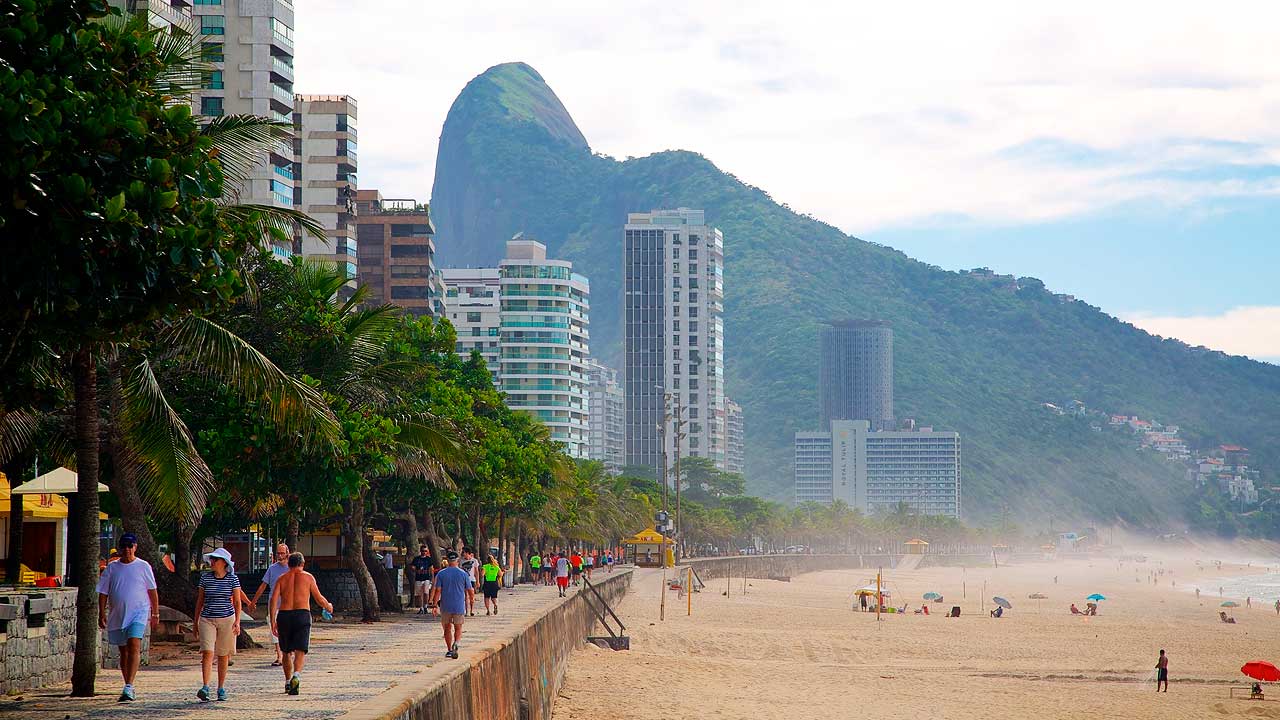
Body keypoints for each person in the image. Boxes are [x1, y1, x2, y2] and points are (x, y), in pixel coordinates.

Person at [96, 532, 159, 702]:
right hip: (118, 614)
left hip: (138, 612)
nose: (127, 549)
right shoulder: (112, 568)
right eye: (124, 546)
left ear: (135, 547)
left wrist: (155, 613)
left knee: (134, 644)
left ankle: (129, 685)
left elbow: (152, 591)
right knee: (123, 651)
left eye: (130, 546)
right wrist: (102, 612)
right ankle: (127, 684)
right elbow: (103, 591)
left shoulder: (143, 566)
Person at [271, 552, 334, 695]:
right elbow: (318, 598)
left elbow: (273, 600)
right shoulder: (308, 577)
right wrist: (328, 606)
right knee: (300, 650)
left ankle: (287, 682)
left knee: (286, 651)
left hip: (284, 615)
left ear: (289, 564)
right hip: (302, 615)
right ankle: (296, 675)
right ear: (303, 564)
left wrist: (273, 620)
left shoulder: (281, 579)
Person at [194, 548, 242, 702]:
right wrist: (195, 621)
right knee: (207, 651)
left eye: (216, 559)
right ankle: (205, 686)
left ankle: (221, 687)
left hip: (227, 619)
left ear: (224, 563)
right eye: (212, 559)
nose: (212, 562)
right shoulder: (205, 578)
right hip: (207, 618)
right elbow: (200, 601)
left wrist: (238, 621)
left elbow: (237, 601)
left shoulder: (232, 579)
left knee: (223, 654)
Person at [250, 543, 290, 666]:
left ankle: (287, 654)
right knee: (274, 630)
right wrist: (253, 601)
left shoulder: (292, 568)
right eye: (278, 553)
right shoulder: (272, 568)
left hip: (289, 605)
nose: (280, 555)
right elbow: (263, 585)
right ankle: (279, 655)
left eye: (282, 553)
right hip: (274, 605)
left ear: (287, 553)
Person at [430, 551, 474, 659]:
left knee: (447, 628)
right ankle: (457, 643)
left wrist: (434, 605)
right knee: (458, 628)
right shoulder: (463, 574)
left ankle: (449, 649)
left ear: (447, 561)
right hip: (459, 605)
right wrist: (472, 599)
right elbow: (470, 590)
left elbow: (438, 591)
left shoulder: (441, 574)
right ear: (457, 560)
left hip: (446, 606)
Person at [410, 546, 434, 615]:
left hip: (426, 578)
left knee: (426, 592)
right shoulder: (416, 559)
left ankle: (425, 606)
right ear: (420, 551)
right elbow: (412, 566)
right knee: (419, 594)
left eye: (425, 551)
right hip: (418, 578)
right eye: (423, 551)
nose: (424, 552)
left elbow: (431, 569)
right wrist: (415, 569)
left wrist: (432, 578)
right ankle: (421, 608)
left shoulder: (428, 559)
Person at [459, 549, 480, 616]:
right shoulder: (461, 561)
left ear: (467, 553)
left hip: (472, 580)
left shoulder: (474, 561)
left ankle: (472, 609)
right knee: (466, 596)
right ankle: (467, 611)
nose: (463, 553)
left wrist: (477, 581)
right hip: (464, 580)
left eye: (464, 552)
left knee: (472, 595)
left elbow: (476, 572)